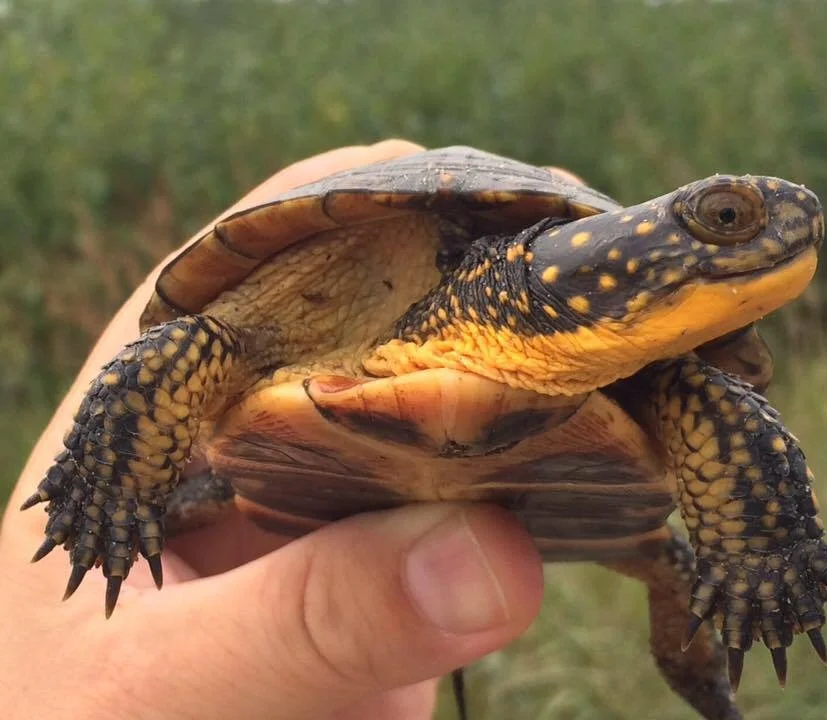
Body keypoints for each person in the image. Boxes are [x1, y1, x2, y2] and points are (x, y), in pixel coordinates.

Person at [0, 140, 546, 719]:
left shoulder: (591, 333)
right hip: (259, 480)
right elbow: (173, 351)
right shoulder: (306, 290)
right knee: (178, 375)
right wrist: (109, 487)